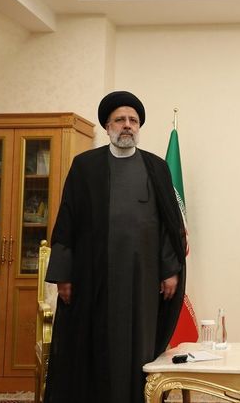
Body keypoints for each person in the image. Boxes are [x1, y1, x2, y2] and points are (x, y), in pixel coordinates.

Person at [44, 91, 187, 403]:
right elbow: (67, 220)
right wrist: (64, 275)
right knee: (94, 345)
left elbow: (169, 224)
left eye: (133, 120)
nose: (127, 125)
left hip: (142, 279)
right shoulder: (85, 166)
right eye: (120, 120)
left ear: (139, 127)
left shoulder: (156, 167)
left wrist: (170, 270)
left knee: (139, 347)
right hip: (94, 276)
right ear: (107, 126)